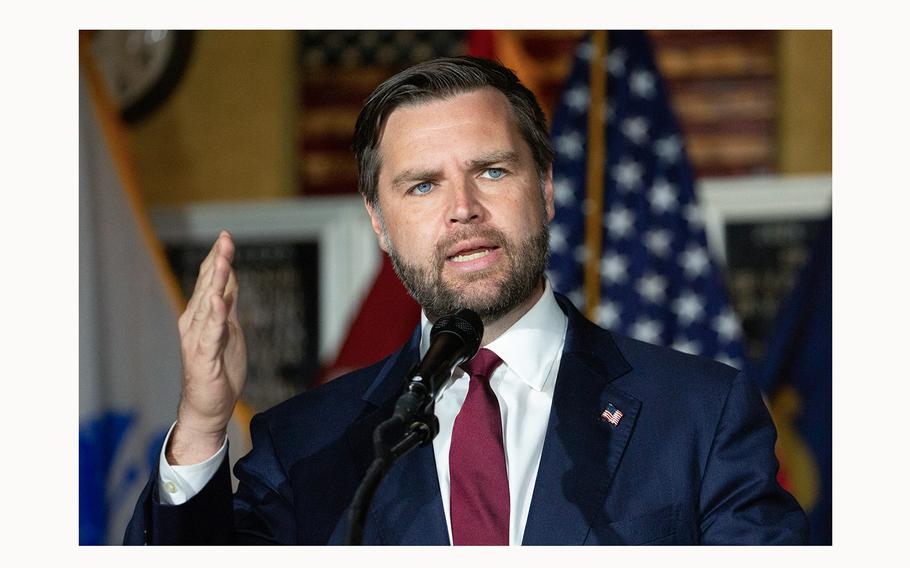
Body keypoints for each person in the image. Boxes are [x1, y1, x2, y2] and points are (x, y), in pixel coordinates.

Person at [124, 56, 808, 545]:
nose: (463, 209)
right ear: (379, 223)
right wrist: (202, 425)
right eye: (421, 186)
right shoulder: (308, 443)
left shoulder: (700, 414)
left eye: (491, 170)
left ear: (543, 189)